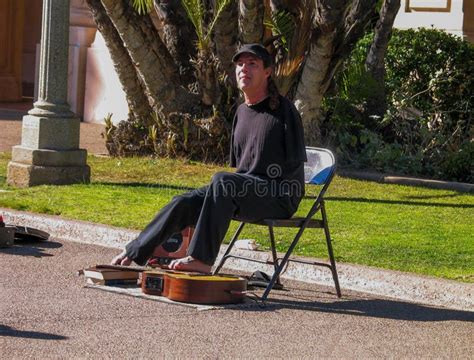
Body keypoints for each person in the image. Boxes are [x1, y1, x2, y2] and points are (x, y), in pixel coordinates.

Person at [111, 43, 307, 273]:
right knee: (184, 201)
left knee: (223, 181)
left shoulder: (284, 111)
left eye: (252, 64)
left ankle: (200, 259)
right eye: (240, 64)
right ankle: (134, 251)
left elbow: (293, 168)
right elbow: (243, 170)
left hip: (279, 195)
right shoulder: (242, 112)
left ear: (267, 72)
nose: (244, 69)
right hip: (244, 191)